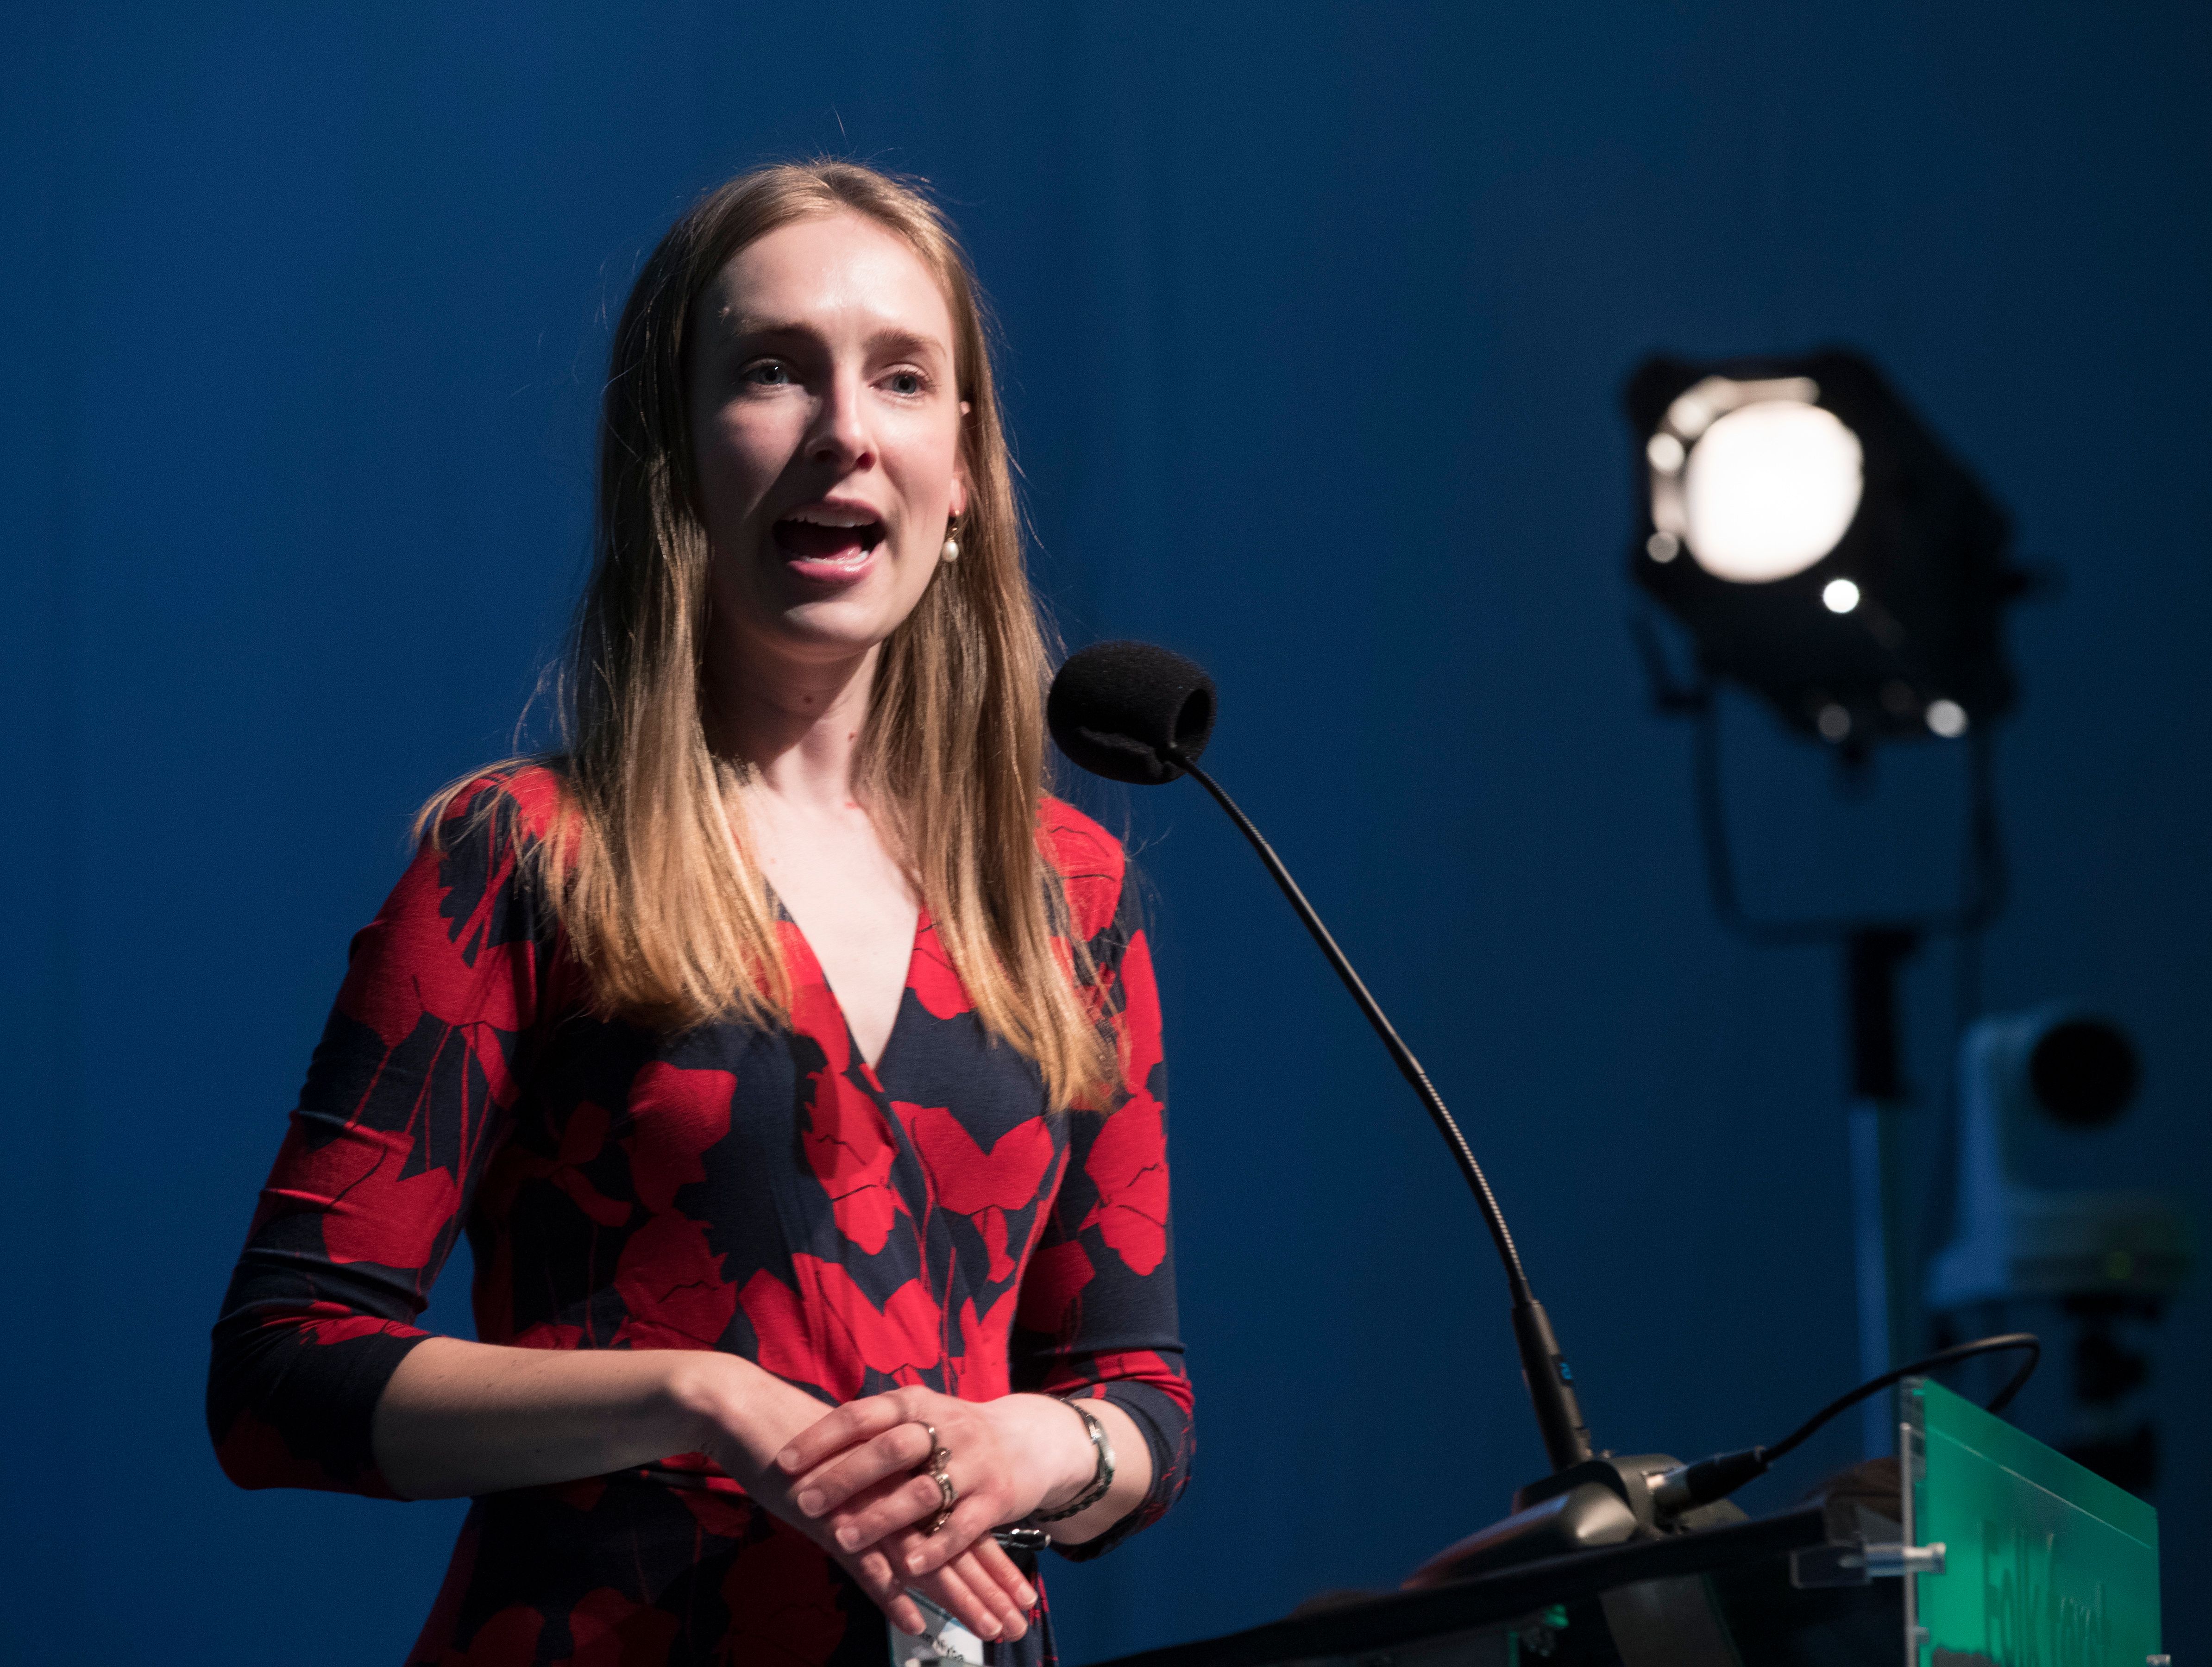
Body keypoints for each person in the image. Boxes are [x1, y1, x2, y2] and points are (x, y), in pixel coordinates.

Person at [207, 160, 1192, 1667]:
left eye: (902, 378)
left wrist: (1044, 1449)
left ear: (962, 473)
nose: (846, 431)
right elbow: (280, 1374)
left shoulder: (1070, 892)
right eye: (775, 372)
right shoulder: (526, 858)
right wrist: (700, 1398)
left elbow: (1140, 1396)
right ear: (672, 452)